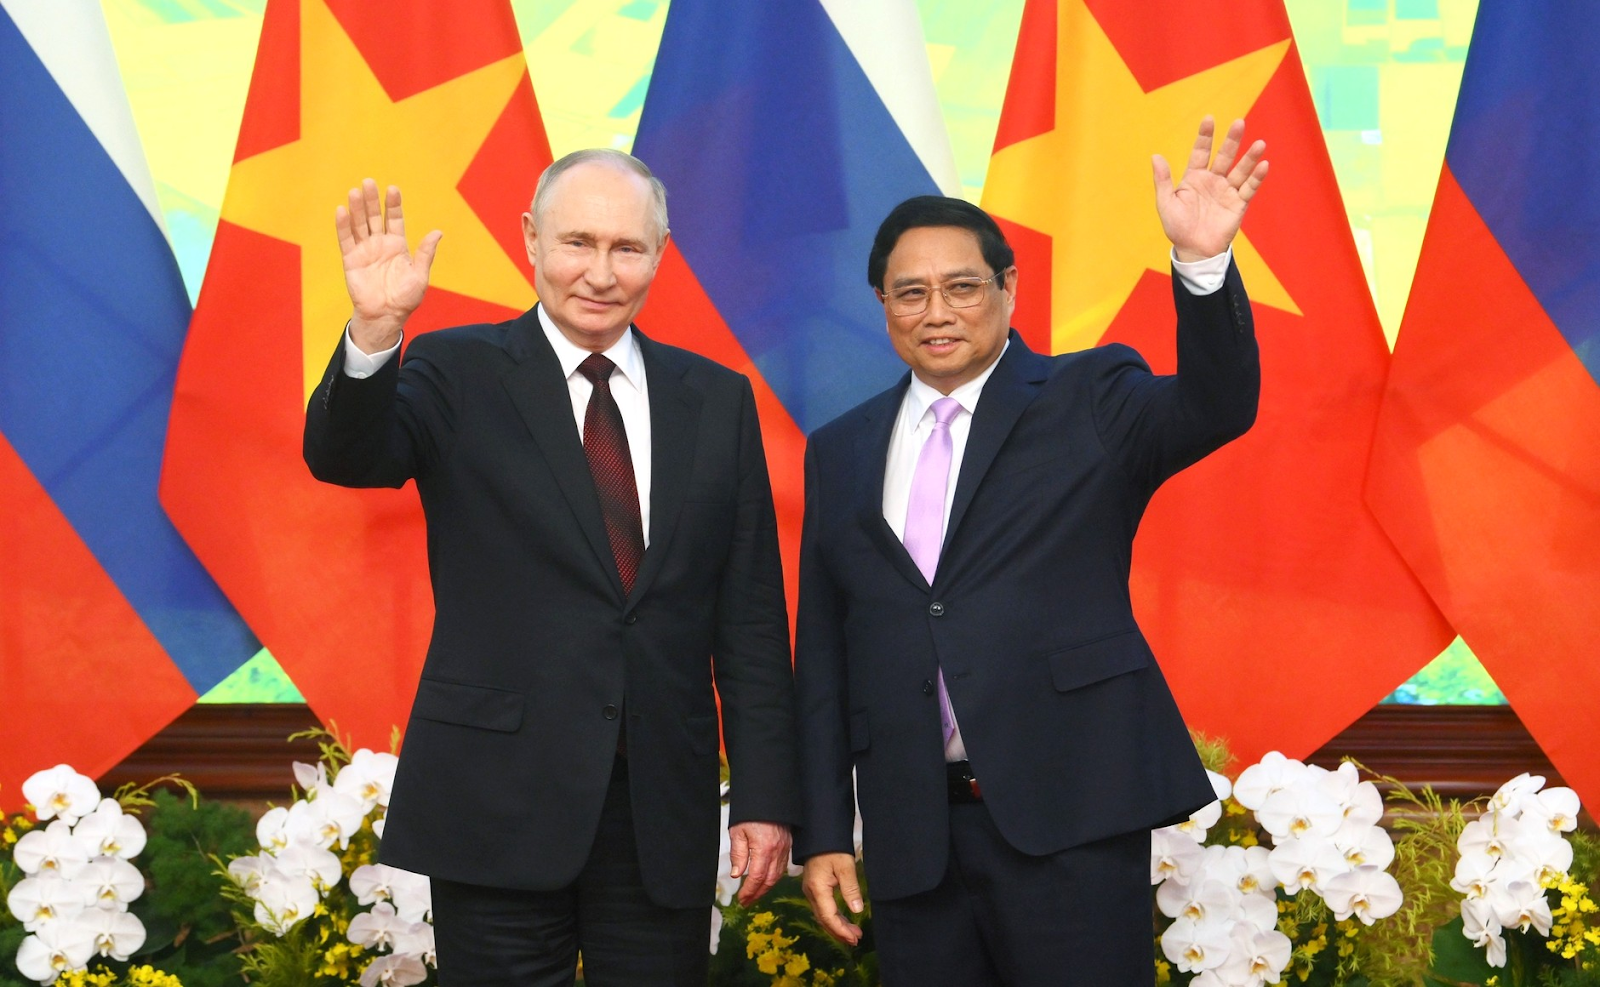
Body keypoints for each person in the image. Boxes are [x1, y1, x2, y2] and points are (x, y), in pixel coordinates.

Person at [303, 148, 799, 987]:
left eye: (626, 248)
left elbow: (749, 617)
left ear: (660, 253)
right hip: (498, 799)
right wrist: (377, 333)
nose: (600, 273)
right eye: (577, 243)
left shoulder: (716, 398)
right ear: (531, 238)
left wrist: (763, 796)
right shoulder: (456, 369)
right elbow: (347, 456)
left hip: (660, 808)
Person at [792, 117, 1267, 986]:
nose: (937, 312)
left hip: (1071, 818)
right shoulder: (840, 448)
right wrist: (823, 829)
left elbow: (1217, 404)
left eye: (962, 286)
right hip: (912, 838)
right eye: (910, 292)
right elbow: (823, 652)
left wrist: (1202, 265)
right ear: (883, 305)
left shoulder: (1090, 396)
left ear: (1008, 287)